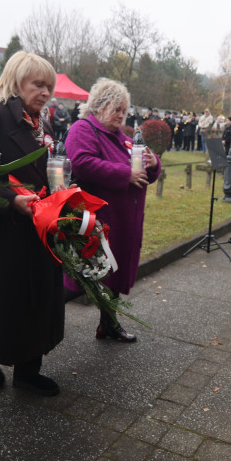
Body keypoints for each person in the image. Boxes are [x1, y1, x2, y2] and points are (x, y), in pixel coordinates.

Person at [0, 52, 66, 396]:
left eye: (49, 86)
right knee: (8, 301)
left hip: (39, 224)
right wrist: (9, 200)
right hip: (3, 229)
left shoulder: (42, 123)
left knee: (39, 297)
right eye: (39, 84)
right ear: (17, 81)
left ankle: (28, 371)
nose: (46, 92)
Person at [65, 78, 160, 342]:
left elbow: (143, 171)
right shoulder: (83, 129)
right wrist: (125, 174)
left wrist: (153, 163)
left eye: (123, 110)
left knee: (113, 274)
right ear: (99, 105)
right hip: (96, 220)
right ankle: (38, 316)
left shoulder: (122, 139)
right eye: (116, 109)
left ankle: (108, 324)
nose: (121, 115)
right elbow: (82, 162)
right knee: (82, 277)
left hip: (122, 221)